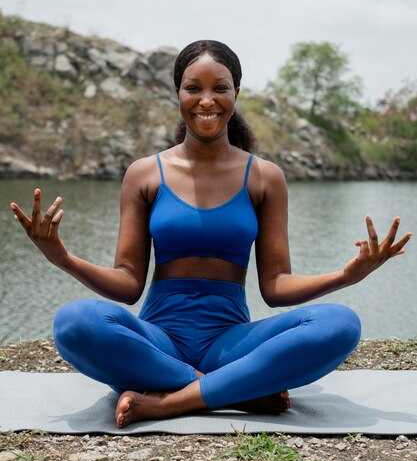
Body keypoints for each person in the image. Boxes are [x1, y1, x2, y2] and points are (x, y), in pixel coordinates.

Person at [10, 40, 412, 429]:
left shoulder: (264, 177)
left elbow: (275, 287)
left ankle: (169, 401)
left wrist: (347, 276)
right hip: (156, 344)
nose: (206, 100)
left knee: (340, 323)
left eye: (220, 88)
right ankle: (234, 392)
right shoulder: (145, 173)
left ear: (236, 92)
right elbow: (128, 282)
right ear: (178, 92)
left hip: (232, 344)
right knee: (73, 321)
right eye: (193, 88)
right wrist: (61, 258)